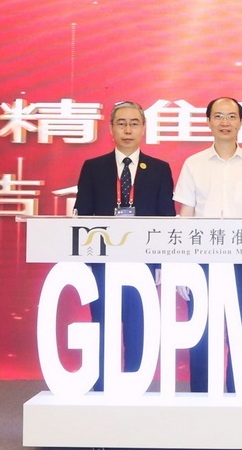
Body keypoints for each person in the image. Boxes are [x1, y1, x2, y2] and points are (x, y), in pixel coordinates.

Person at [173, 97, 242, 393]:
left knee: (241, 332)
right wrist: (181, 265)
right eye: (218, 116)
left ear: (241, 122)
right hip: (202, 262)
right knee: (202, 334)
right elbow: (186, 215)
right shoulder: (193, 164)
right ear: (208, 122)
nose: (225, 122)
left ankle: (237, 397)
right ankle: (201, 398)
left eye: (231, 116)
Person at [74, 101, 176, 392]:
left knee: (137, 327)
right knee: (102, 325)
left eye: (134, 123)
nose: (128, 129)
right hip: (103, 262)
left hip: (142, 263)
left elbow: (166, 219)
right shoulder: (93, 168)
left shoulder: (159, 169)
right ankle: (101, 388)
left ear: (143, 128)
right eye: (121, 123)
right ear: (111, 128)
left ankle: (134, 388)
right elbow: (83, 215)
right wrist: (85, 262)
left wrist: (160, 264)